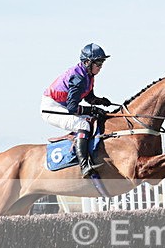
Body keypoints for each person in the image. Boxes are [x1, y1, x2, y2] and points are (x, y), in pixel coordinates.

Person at [41, 43, 113, 177]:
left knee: (93, 120)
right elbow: (72, 108)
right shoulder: (78, 78)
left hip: (63, 105)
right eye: (98, 63)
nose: (100, 67)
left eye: (102, 63)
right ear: (87, 62)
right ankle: (84, 166)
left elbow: (89, 98)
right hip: (52, 108)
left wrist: (100, 101)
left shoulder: (88, 75)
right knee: (83, 125)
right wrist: (92, 109)